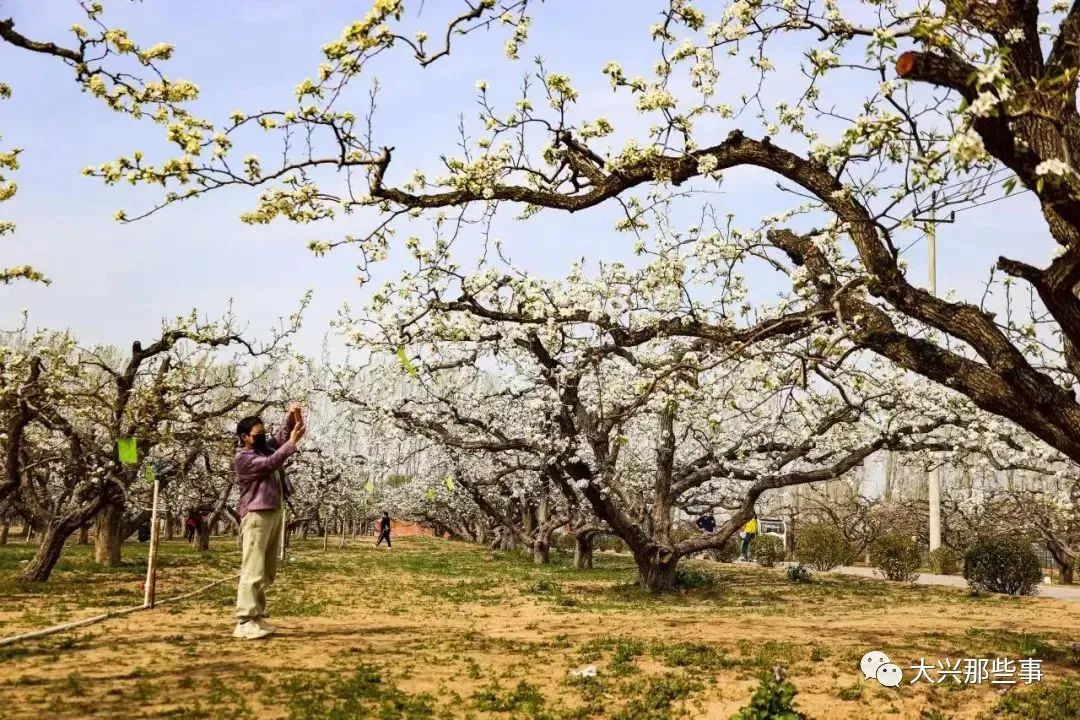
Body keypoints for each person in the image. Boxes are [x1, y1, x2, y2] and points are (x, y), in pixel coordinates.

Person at [232, 403, 305, 640]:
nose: (263, 437)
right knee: (253, 567)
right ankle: (244, 620)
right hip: (256, 515)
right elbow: (272, 462)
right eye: (257, 434)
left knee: (266, 569)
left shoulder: (262, 448)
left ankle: (257, 616)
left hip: (273, 512)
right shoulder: (244, 457)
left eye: (263, 432)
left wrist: (291, 417)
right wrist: (291, 444)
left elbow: (281, 438)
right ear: (244, 437)